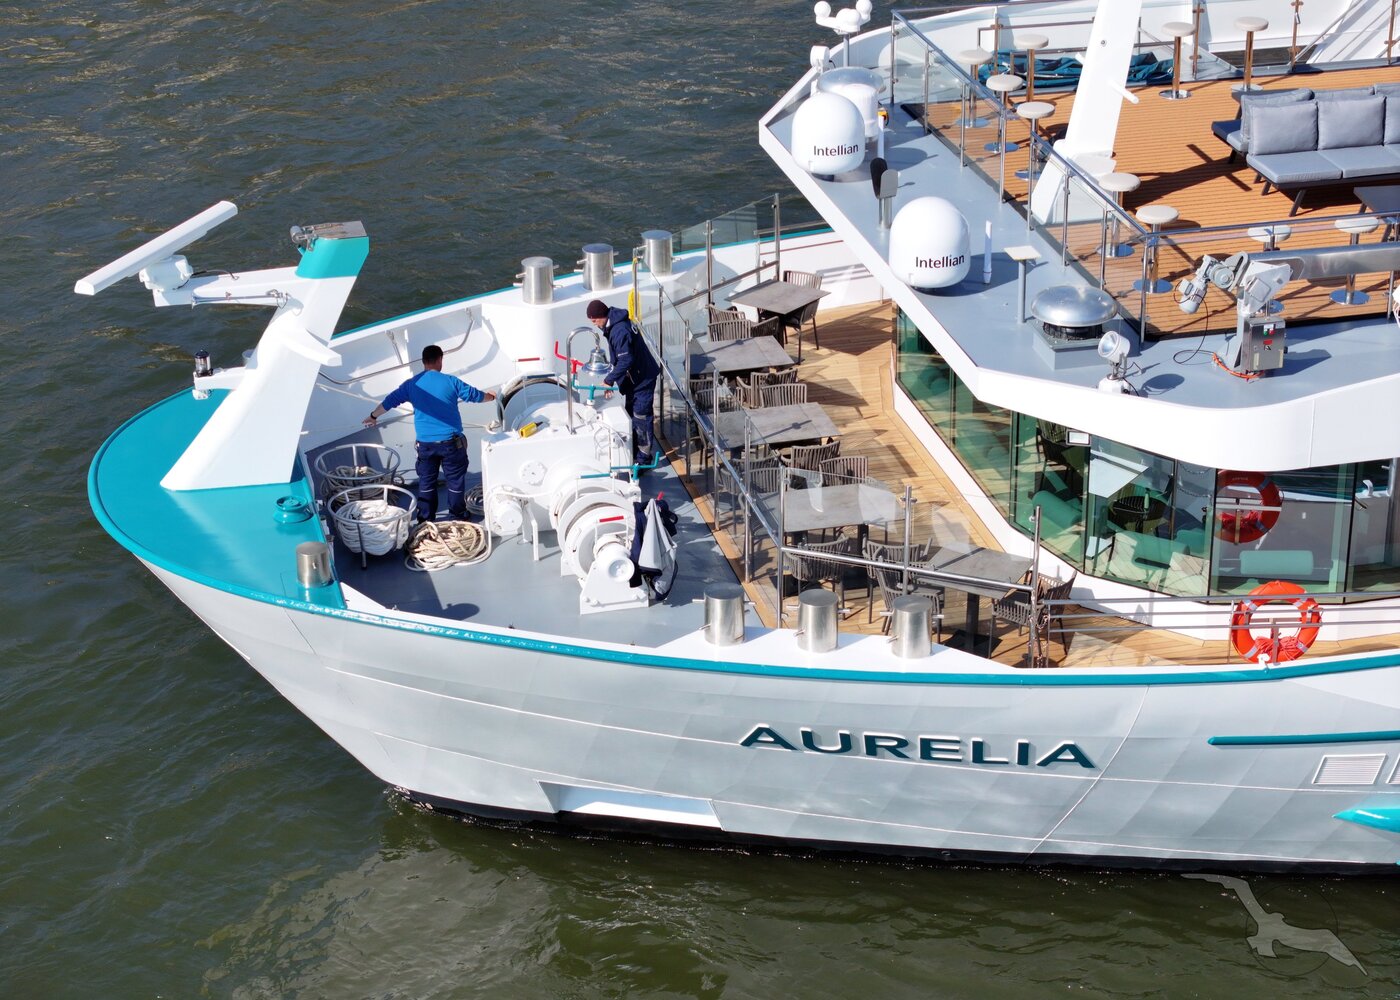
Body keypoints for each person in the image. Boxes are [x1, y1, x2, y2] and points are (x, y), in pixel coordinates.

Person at [364, 345, 496, 521]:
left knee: (426, 482)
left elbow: (389, 402)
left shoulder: (411, 385)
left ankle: (426, 519)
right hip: (451, 444)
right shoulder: (451, 381)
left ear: (424, 361)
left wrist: (373, 416)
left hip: (425, 446)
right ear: (440, 359)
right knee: (455, 481)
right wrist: (492, 396)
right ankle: (458, 515)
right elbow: (475, 396)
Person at [587, 299, 659, 466]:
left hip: (642, 379)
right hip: (634, 379)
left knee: (641, 417)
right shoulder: (614, 323)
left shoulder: (619, 330)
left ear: (601, 316)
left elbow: (626, 359)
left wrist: (609, 380)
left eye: (595, 320)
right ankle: (633, 450)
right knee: (631, 415)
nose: (595, 324)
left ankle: (643, 459)